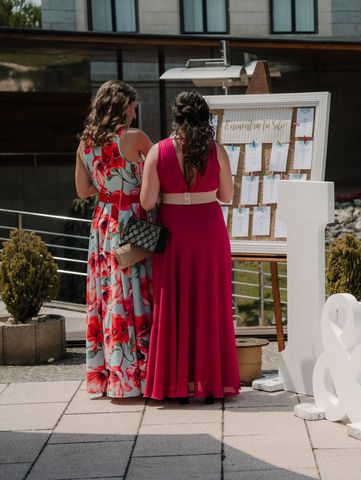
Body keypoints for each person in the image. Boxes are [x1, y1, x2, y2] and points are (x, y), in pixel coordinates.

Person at [141, 90, 240, 403]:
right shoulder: (216, 151)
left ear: (176, 116)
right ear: (204, 117)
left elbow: (147, 201)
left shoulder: (159, 150)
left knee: (172, 303)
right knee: (211, 304)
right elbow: (226, 196)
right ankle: (212, 385)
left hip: (174, 230)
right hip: (209, 229)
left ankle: (176, 386)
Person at [75, 80, 153, 398]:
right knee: (135, 291)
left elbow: (82, 191)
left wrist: (108, 189)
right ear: (124, 105)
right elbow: (164, 172)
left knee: (108, 296)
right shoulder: (135, 138)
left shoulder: (85, 143)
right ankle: (140, 377)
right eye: (134, 105)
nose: (135, 112)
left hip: (103, 224)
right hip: (131, 220)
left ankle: (112, 376)